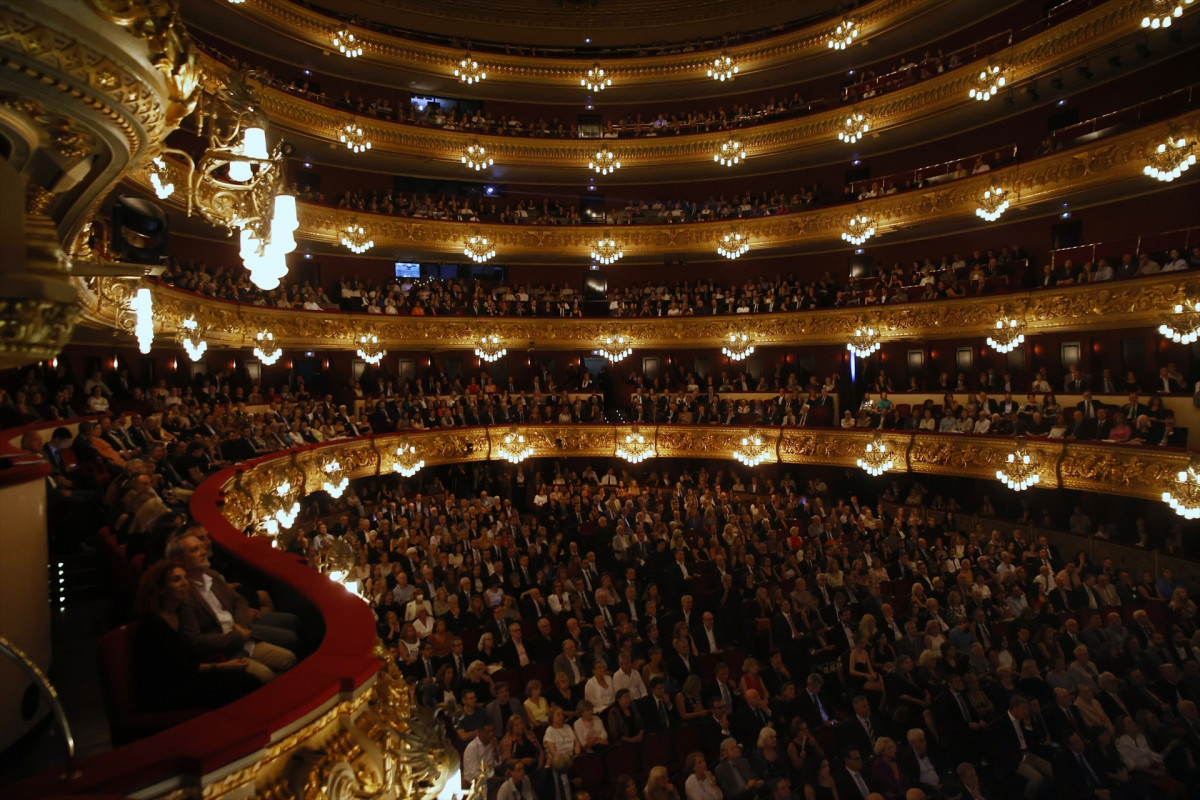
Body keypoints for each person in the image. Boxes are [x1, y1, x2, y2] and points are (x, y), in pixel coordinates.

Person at [130, 559, 259, 711]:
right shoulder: (153, 624)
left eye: (185, 577)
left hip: (186, 676)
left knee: (248, 680)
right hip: (167, 689)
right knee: (245, 682)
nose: (185, 583)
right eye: (176, 580)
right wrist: (223, 666)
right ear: (161, 589)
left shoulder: (177, 613)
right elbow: (178, 669)